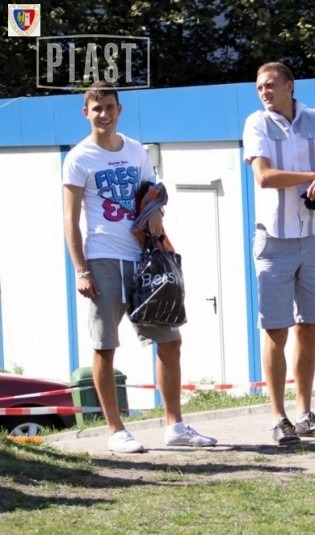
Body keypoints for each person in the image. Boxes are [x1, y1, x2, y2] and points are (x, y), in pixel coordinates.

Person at [62, 82, 217, 453]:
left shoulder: (136, 150)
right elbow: (69, 219)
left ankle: (175, 425)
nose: (104, 114)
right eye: (97, 108)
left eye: (109, 107)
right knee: (105, 345)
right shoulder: (79, 157)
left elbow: (151, 195)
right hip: (103, 258)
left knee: (170, 341)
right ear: (86, 113)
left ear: (119, 110)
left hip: (144, 258)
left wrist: (157, 215)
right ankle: (115, 431)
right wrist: (81, 270)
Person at [242, 62, 315, 444]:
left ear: (290, 86)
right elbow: (264, 177)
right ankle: (279, 417)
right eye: (260, 87)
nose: (264, 92)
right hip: (273, 240)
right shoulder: (256, 123)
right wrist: (313, 177)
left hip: (312, 238)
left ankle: (305, 414)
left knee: (309, 326)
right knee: (276, 330)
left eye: (270, 85)